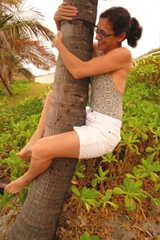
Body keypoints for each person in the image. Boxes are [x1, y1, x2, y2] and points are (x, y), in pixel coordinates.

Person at [5, 2, 142, 194]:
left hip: (104, 131)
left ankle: (25, 179)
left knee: (43, 150)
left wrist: (58, 45)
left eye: (104, 33)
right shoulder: (104, 50)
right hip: (92, 115)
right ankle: (35, 138)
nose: (97, 36)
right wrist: (58, 20)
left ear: (120, 36)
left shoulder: (122, 54)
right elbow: (74, 43)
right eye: (97, 30)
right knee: (53, 95)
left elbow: (79, 70)